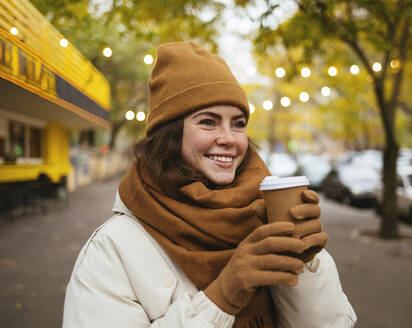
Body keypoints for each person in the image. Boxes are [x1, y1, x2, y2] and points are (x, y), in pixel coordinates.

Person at [62, 42, 356, 328]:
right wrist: (223, 296)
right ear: (171, 135)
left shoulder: (266, 215)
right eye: (208, 122)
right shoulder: (112, 248)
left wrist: (304, 267)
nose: (229, 138)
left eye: (238, 123)